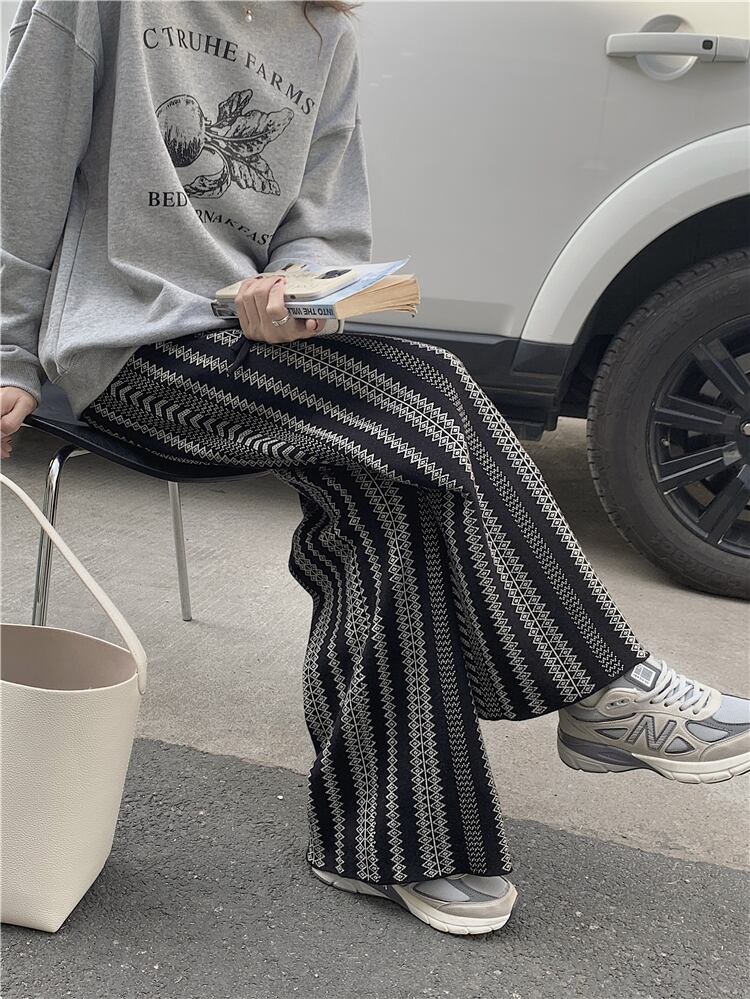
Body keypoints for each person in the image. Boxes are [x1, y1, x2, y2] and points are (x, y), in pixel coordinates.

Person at [1, 0, 748, 937]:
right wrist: (6, 357)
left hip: (251, 346)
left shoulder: (323, 34)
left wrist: (296, 285)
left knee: (390, 485)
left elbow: (321, 227)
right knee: (431, 388)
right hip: (121, 350)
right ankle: (601, 682)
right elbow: (18, 175)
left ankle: (389, 840)